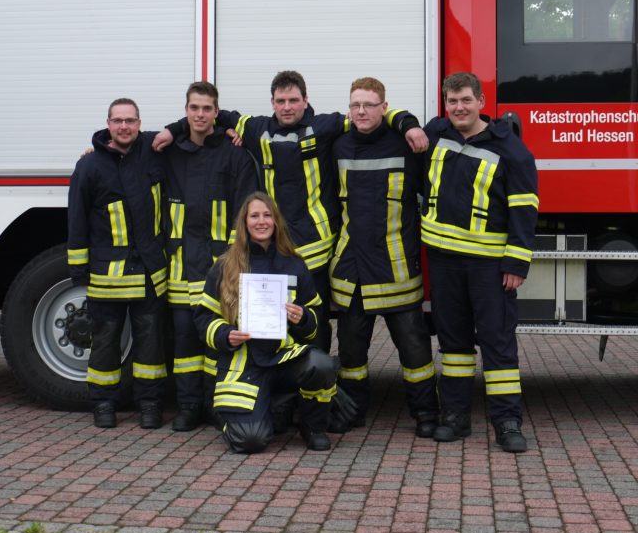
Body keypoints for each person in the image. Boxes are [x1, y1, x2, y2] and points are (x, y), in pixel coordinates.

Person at [157, 70, 429, 353]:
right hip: (277, 251)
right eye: (281, 101)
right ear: (272, 103)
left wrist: (408, 125)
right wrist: (173, 130)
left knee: (315, 321)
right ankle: (282, 376)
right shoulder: (256, 128)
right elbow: (211, 115)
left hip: (317, 251)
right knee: (277, 321)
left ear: (305, 100)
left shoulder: (326, 126)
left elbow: (369, 115)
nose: (287, 107)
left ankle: (317, 375)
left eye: (293, 100)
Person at [421, 72, 539, 453]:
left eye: (466, 100)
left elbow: (525, 209)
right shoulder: (436, 133)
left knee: (497, 342)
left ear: (482, 102)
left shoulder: (511, 149)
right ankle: (455, 417)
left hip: (488, 266)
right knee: (453, 343)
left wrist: (516, 263)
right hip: (444, 262)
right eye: (452, 101)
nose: (459, 108)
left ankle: (507, 421)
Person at [329, 77, 439, 436]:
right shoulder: (338, 145)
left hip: (396, 266)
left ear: (384, 108)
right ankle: (352, 412)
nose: (361, 111)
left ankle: (425, 413)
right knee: (351, 354)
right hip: (352, 270)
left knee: (414, 350)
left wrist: (406, 122)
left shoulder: (405, 144)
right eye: (355, 105)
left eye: (369, 105)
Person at [194, 192, 337, 453]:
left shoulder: (294, 265)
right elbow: (204, 317)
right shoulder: (225, 266)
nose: (262, 221)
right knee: (249, 441)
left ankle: (312, 426)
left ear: (276, 221)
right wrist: (225, 335)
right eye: (255, 216)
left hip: (283, 357)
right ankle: (251, 415)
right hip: (244, 361)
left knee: (321, 364)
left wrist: (303, 318)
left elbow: (316, 317)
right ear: (244, 223)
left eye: (267, 215)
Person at [67, 98, 168, 429]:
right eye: (118, 121)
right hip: (107, 275)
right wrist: (78, 271)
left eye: (130, 120)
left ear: (140, 123)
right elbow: (77, 220)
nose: (124, 126)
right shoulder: (89, 166)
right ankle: (103, 403)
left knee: (150, 345)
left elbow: (188, 133)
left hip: (150, 272)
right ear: (108, 124)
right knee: (105, 342)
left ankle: (150, 404)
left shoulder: (154, 152)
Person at [162, 81, 258, 431]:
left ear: (217, 112)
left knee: (218, 342)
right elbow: (127, 143)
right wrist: (96, 146)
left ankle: (216, 405)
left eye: (206, 109)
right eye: (194, 108)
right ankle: (188, 407)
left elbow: (246, 212)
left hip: (220, 268)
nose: (200, 114)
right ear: (185, 111)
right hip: (181, 267)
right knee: (185, 342)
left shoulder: (235, 153)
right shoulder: (169, 151)